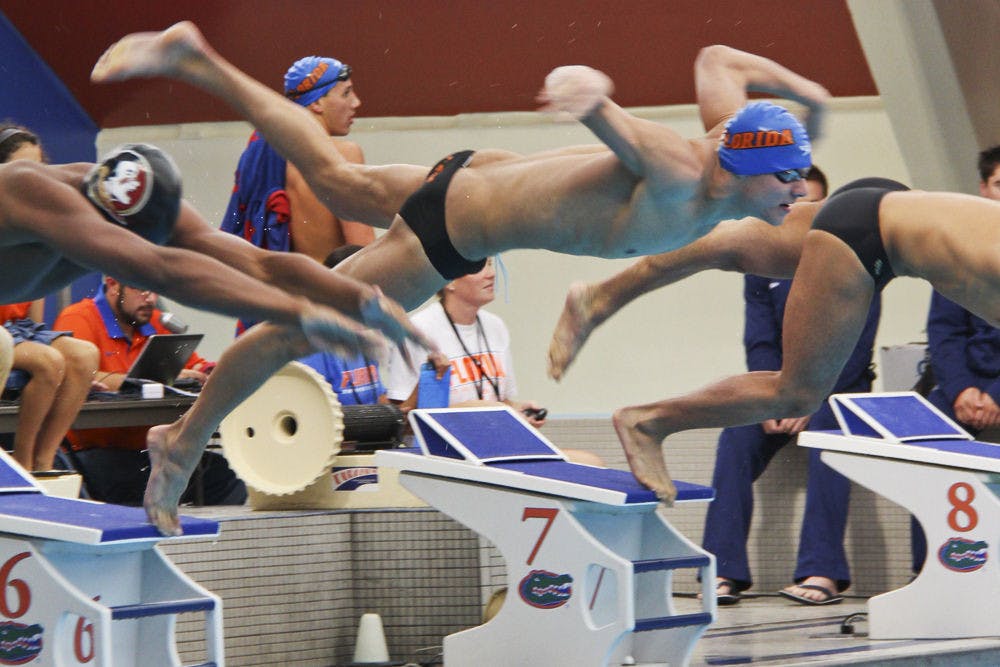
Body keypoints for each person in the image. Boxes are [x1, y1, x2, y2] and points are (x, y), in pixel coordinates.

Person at [91, 23, 829, 534]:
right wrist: (590, 94)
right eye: (790, 181)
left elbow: (717, 61)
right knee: (290, 331)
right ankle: (184, 440)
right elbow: (616, 124)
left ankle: (196, 59)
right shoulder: (680, 174)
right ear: (750, 171)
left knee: (328, 174)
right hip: (458, 227)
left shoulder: (731, 141)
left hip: (479, 177)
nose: (796, 195)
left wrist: (813, 95)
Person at [0, 136, 434, 530]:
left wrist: (359, 298)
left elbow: (261, 264)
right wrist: (304, 314)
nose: (149, 242)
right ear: (111, 218)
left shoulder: (140, 199)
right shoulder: (33, 192)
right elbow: (166, 271)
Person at [702, 168, 881, 606]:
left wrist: (809, 392)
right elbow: (760, 340)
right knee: (735, 439)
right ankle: (720, 570)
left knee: (827, 439)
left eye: (816, 208)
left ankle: (822, 572)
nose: (805, 217)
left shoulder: (858, 264)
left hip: (838, 392)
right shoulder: (762, 264)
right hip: (781, 388)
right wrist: (770, 399)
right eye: (795, 207)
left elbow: (855, 348)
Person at [53, 277, 245, 506]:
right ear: (113, 285)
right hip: (99, 453)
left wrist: (208, 371)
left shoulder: (156, 321)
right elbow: (82, 378)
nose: (151, 299)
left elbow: (195, 365)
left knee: (225, 477)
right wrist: (163, 378)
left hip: (155, 452)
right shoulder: (78, 318)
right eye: (141, 289)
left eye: (156, 292)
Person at [221, 55, 373, 333]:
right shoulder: (343, 156)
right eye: (346, 93)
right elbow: (361, 256)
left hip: (286, 317)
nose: (356, 102)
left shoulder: (266, 158)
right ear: (316, 103)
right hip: (334, 316)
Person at [0, 123, 101, 472]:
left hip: (21, 333)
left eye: (40, 170)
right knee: (47, 362)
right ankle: (24, 463)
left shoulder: (41, 226)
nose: (37, 181)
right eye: (25, 172)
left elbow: (34, 315)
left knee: (85, 355)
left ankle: (46, 459)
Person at [298, 245, 386, 405]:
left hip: (368, 427)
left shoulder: (367, 336)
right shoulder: (314, 346)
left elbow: (379, 401)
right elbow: (312, 413)